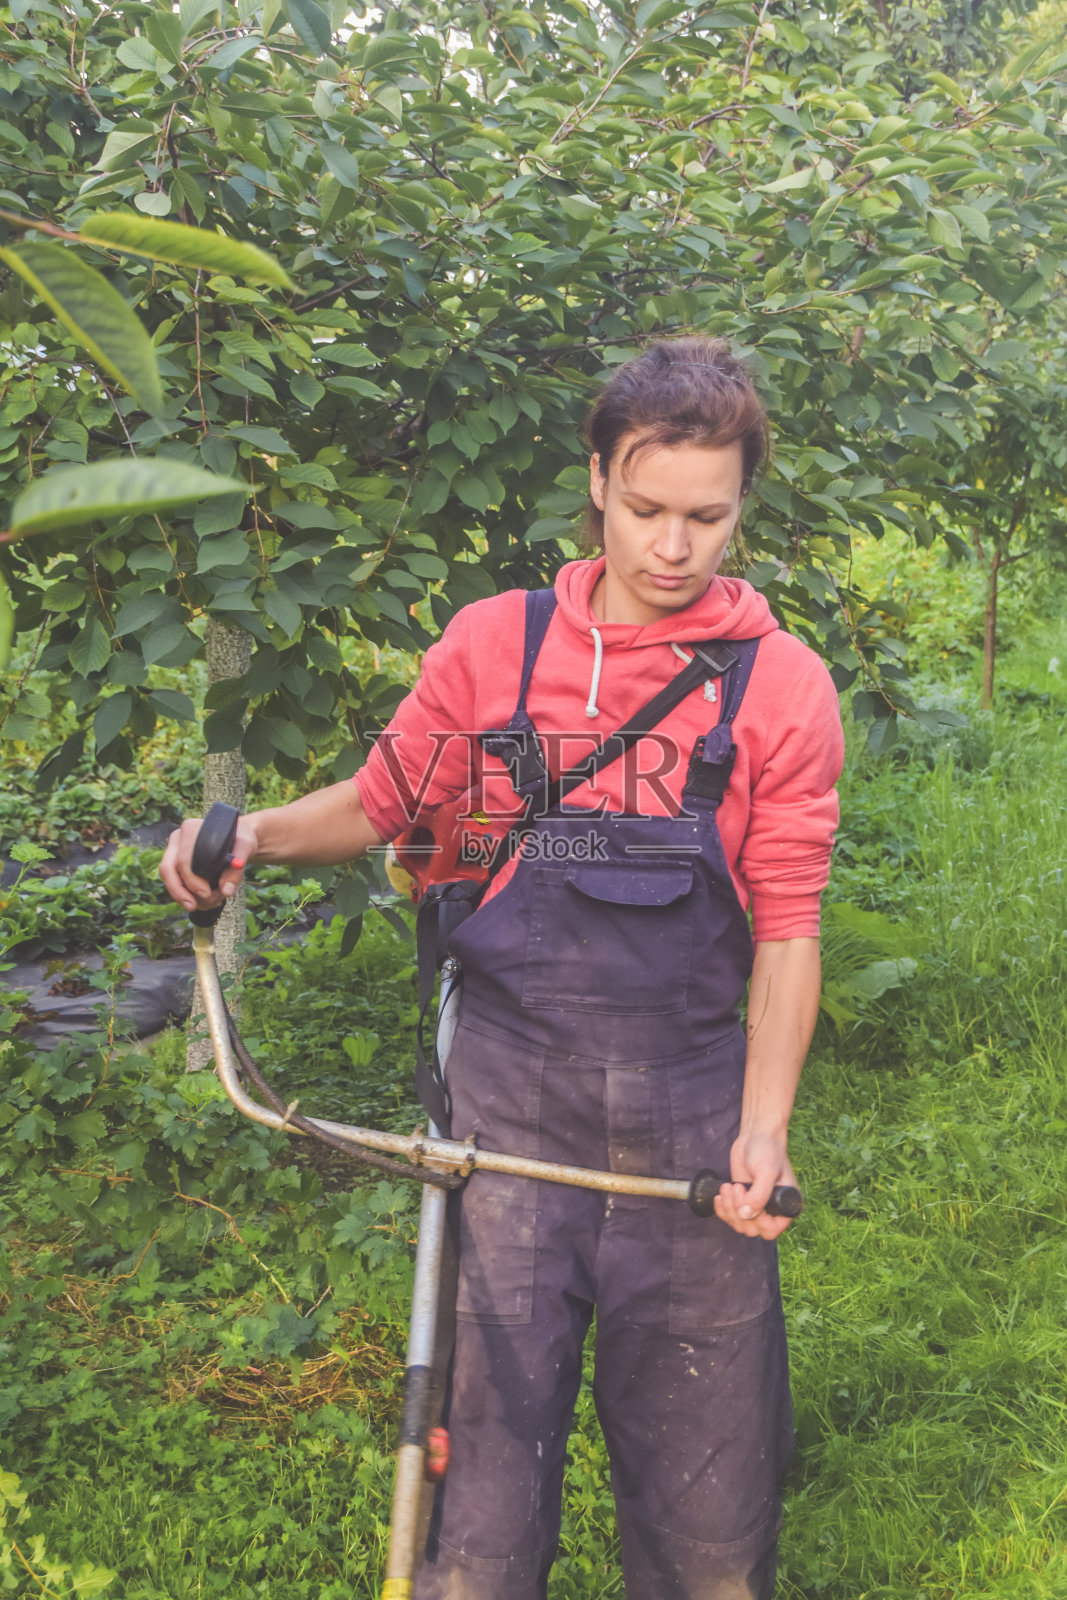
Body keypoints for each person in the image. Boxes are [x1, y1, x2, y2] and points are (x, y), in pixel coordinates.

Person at [161, 336, 843, 1600]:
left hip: (691, 1132)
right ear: (596, 480)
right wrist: (248, 833)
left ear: (743, 501)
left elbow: (788, 922)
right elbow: (380, 806)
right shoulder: (495, 648)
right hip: (503, 1125)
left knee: (708, 1528)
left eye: (708, 514)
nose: (675, 546)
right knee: (470, 1533)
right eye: (645, 509)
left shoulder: (780, 686)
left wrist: (764, 1131)